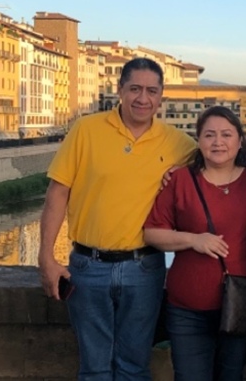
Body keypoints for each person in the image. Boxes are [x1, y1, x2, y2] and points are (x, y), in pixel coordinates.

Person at [37, 58, 197, 381]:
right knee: (94, 368)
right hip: (87, 267)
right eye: (135, 88)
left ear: (161, 97)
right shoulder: (86, 129)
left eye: (152, 91)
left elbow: (225, 156)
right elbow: (57, 193)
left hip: (144, 269)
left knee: (135, 368)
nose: (143, 98)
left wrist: (182, 172)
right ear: (120, 90)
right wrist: (46, 256)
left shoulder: (179, 144)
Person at [143, 106, 246, 381]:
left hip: (239, 304)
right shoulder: (180, 180)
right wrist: (194, 240)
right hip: (186, 307)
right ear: (199, 140)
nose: (218, 142)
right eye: (210, 135)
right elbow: (152, 234)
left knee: (231, 376)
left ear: (240, 141)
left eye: (227, 134)